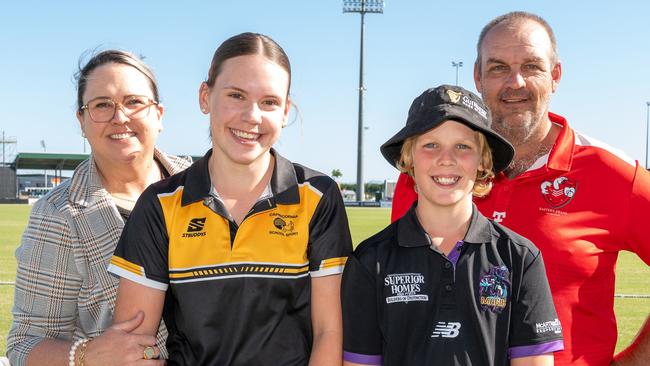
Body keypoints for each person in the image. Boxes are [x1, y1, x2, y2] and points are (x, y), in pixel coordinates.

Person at [390, 12, 650, 366]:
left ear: (555, 75)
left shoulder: (613, 173)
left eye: (531, 66)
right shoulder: (427, 177)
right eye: (497, 68)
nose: (516, 82)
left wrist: (633, 361)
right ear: (477, 77)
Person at [107, 32, 353, 365]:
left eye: (269, 102)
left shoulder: (318, 195)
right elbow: (133, 345)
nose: (252, 116)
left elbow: (329, 332)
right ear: (205, 97)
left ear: (285, 111)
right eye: (236, 95)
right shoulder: (161, 203)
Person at [341, 85, 563, 366]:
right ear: (408, 158)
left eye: (463, 146)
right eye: (430, 145)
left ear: (483, 161)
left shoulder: (519, 257)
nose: (446, 159)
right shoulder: (370, 260)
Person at [7, 50, 192, 366]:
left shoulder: (202, 187)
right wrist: (87, 355)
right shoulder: (58, 214)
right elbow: (24, 345)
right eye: (102, 105)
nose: (120, 117)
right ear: (81, 120)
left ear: (159, 114)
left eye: (134, 102)